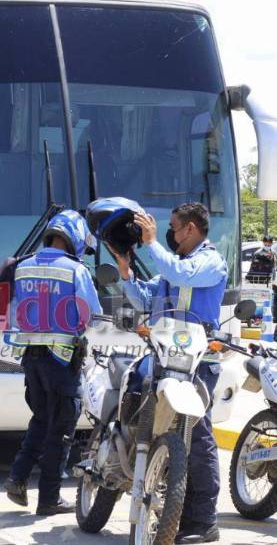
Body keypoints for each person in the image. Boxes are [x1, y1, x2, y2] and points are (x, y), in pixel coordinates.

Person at [111, 202, 227, 544]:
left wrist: (150, 243)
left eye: (173, 227)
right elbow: (146, 297)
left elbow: (182, 275)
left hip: (198, 363)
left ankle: (204, 520)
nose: (167, 233)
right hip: (164, 357)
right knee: (149, 416)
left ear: (190, 229)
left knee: (198, 435)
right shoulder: (174, 268)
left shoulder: (209, 262)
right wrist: (125, 271)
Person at [3, 210, 102, 516]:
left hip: (31, 358)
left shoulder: (23, 266)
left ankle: (17, 477)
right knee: (62, 429)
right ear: (73, 238)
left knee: (41, 420)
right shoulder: (75, 270)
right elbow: (91, 316)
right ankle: (49, 498)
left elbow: (16, 312)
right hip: (61, 360)